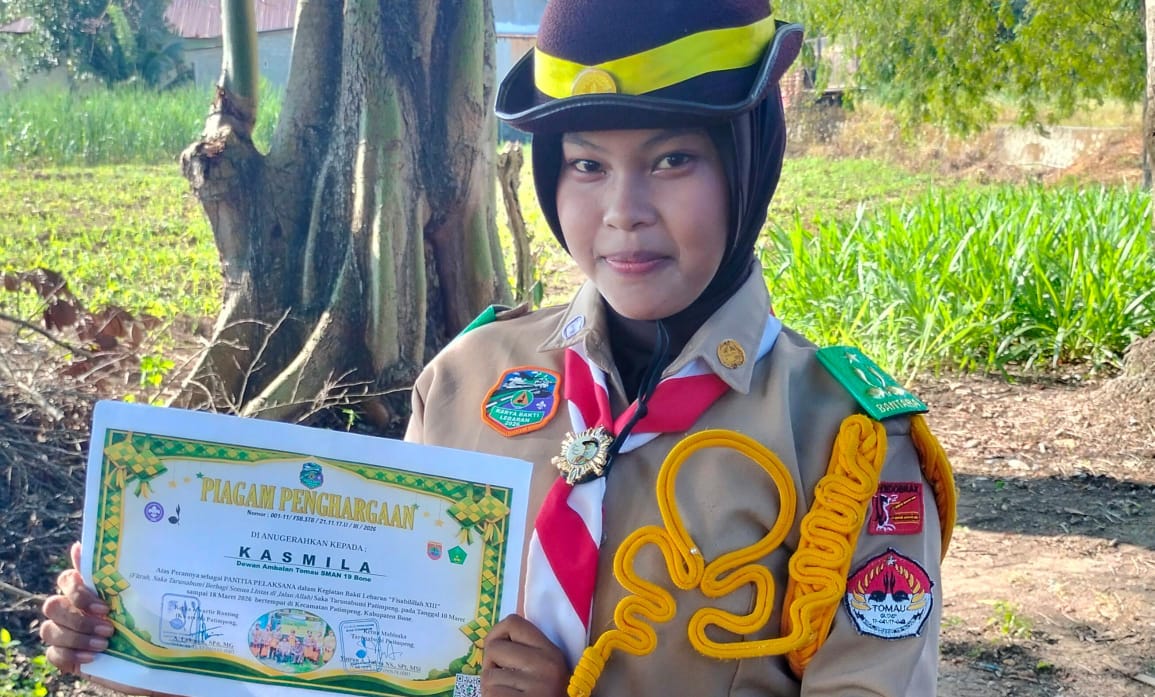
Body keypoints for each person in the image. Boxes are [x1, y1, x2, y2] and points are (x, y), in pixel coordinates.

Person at [40, 1, 956, 695]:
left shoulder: (842, 439)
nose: (623, 212)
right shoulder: (469, 378)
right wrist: (140, 640)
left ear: (749, 162)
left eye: (672, 160)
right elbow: (353, 649)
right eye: (587, 165)